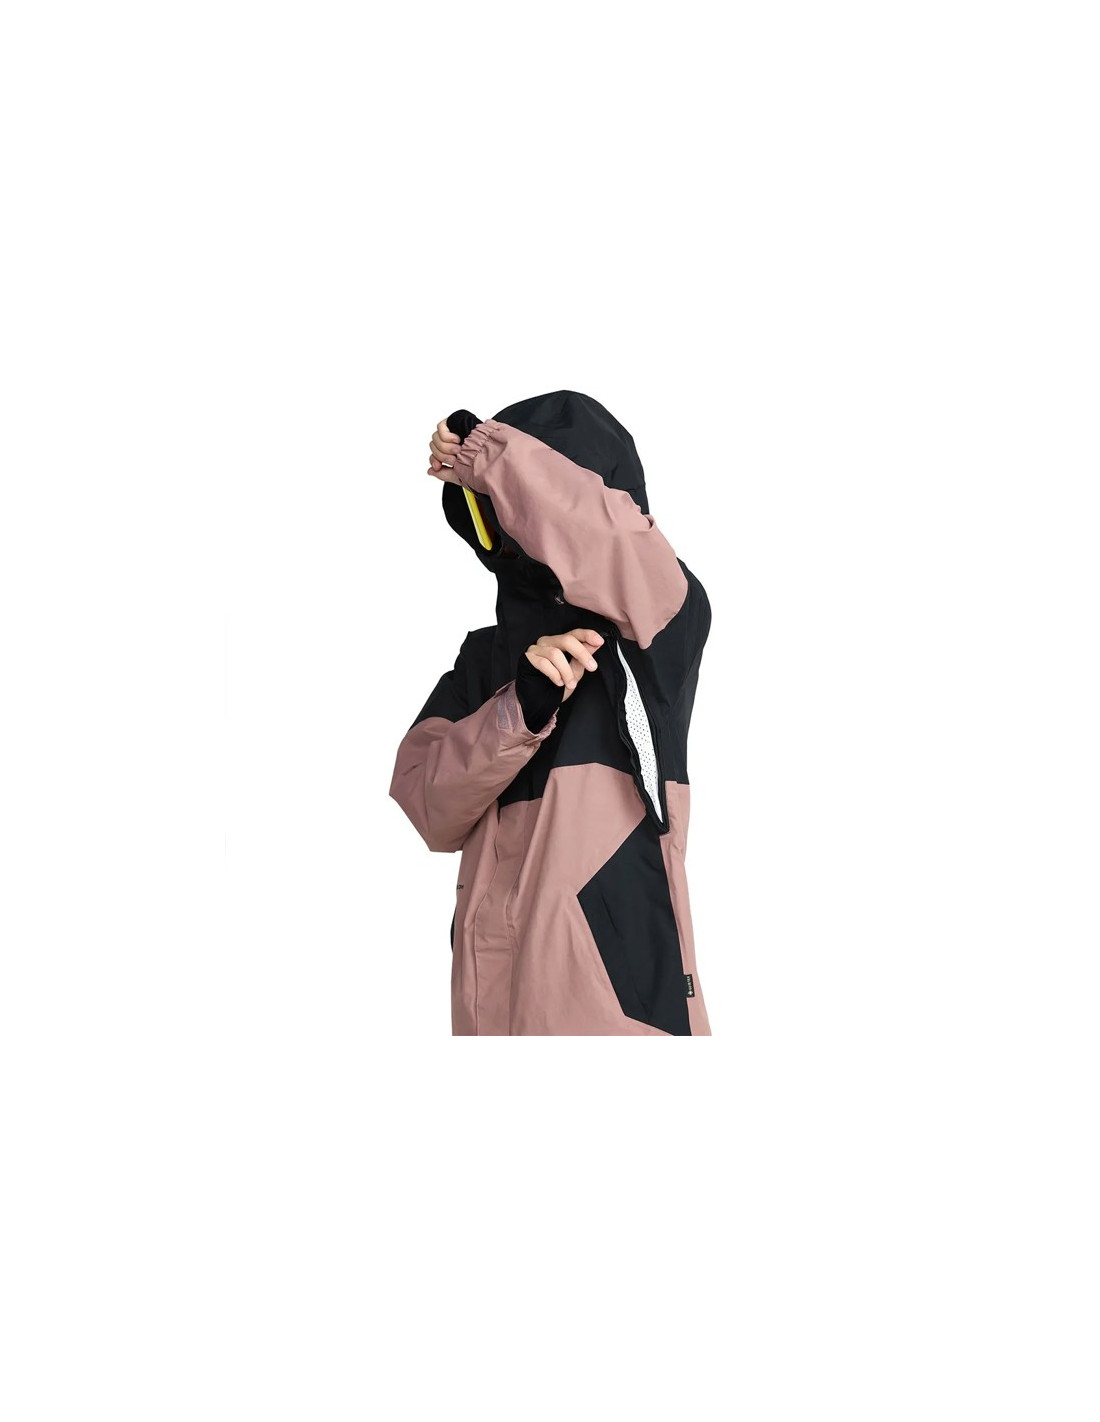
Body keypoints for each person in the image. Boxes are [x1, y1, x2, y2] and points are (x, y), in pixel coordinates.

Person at [388, 390, 713, 1036]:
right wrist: (520, 709)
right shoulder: (485, 660)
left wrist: (487, 453)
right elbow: (428, 806)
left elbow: (606, 539)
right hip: (490, 1011)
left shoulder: (654, 625)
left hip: (615, 1011)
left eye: (515, 500)